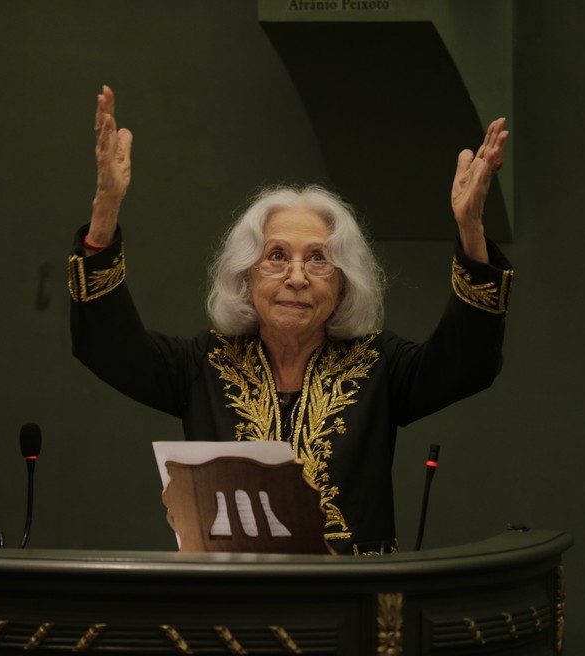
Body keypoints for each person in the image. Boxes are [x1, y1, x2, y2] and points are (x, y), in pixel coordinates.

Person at [68, 85, 513, 555]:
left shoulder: (380, 366)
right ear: (246, 277)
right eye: (277, 256)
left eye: (319, 259)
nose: (297, 277)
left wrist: (470, 233)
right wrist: (104, 215)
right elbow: (106, 346)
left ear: (343, 283)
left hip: (350, 609)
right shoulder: (203, 365)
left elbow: (469, 362)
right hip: (232, 610)